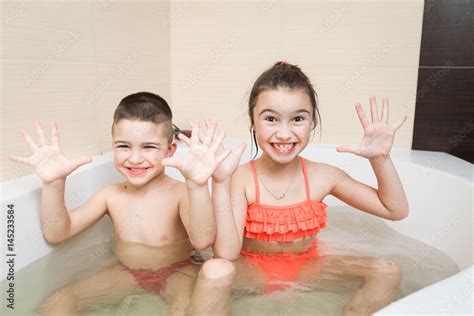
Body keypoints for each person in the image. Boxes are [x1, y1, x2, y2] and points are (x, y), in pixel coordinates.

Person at [10, 92, 235, 315]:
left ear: (170, 150)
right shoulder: (110, 195)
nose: (135, 158)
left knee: (184, 311)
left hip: (178, 272)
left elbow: (203, 240)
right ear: (113, 146)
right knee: (59, 300)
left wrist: (197, 186)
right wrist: (53, 184)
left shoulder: (180, 193)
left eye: (149, 147)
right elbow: (57, 233)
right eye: (124, 146)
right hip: (127, 272)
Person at [211, 62, 409, 315]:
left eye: (298, 119)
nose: (284, 133)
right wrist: (220, 183)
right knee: (215, 271)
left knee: (387, 269)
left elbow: (394, 210)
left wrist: (380, 158)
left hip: (308, 267)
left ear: (312, 122)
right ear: (253, 123)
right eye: (271, 119)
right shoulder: (240, 178)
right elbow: (227, 253)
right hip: (252, 271)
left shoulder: (323, 176)